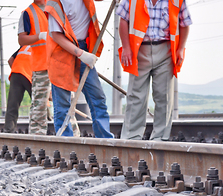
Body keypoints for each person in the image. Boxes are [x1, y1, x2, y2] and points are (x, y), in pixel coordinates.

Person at [118, 0, 191, 141]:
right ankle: (132, 138)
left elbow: (184, 23)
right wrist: (126, 47)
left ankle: (160, 139)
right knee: (136, 96)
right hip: (138, 51)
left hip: (165, 51)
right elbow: (123, 20)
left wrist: (181, 49)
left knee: (164, 96)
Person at [45, 0, 114, 138]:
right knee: (62, 105)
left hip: (83, 49)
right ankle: (66, 143)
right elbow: (56, 35)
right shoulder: (55, 2)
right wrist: (80, 54)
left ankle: (105, 140)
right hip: (62, 53)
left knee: (97, 98)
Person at [18, 0, 50, 135]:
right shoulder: (28, 13)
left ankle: (70, 135)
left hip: (60, 63)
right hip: (41, 64)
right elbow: (22, 40)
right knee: (39, 105)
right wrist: (39, 36)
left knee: (66, 102)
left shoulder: (57, 6)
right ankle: (37, 136)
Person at [4, 46, 32, 133]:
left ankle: (9, 129)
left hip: (16, 73)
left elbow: (10, 60)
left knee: (12, 105)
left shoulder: (24, 46)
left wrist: (19, 71)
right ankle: (48, 121)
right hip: (29, 73)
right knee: (40, 101)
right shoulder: (41, 45)